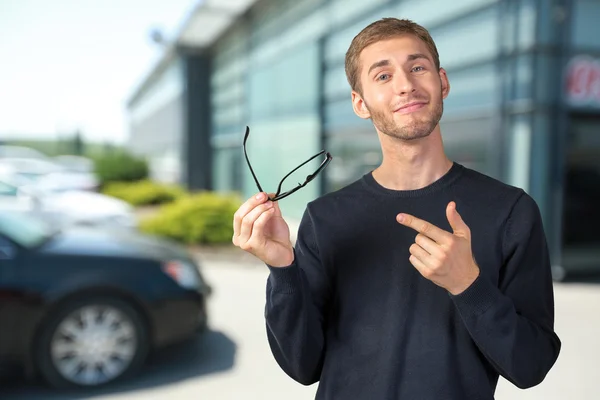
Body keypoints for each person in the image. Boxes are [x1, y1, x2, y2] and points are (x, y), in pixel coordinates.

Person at [232, 17, 561, 400]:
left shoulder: (511, 211)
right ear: (360, 103)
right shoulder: (325, 217)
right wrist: (283, 271)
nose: (406, 84)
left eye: (417, 67)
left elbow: (531, 365)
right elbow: (303, 366)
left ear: (443, 82)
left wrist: (468, 285)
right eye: (383, 76)